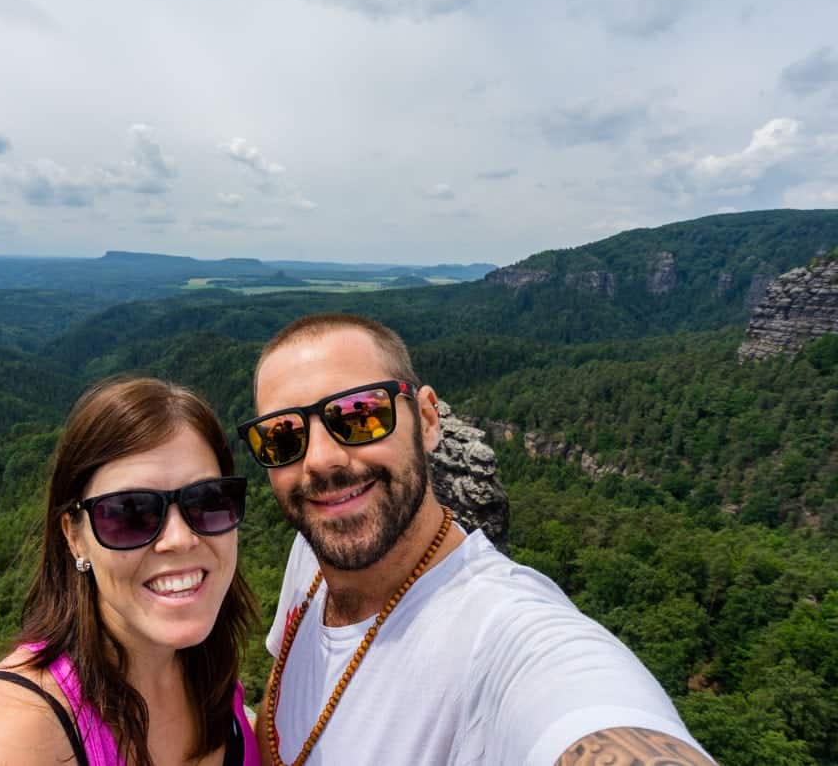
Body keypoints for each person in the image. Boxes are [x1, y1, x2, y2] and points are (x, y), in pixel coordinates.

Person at [237, 313, 715, 766]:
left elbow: (587, 711)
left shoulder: (505, 634)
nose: (321, 460)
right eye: (282, 436)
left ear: (426, 420)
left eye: (359, 414)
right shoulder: (312, 555)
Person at [0, 377, 261, 766]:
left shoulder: (213, 680)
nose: (179, 538)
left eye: (206, 500)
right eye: (130, 513)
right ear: (75, 537)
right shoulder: (18, 734)